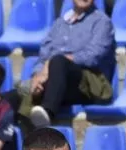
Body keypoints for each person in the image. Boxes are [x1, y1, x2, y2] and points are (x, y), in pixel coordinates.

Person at [19, 0, 115, 128]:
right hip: (55, 79)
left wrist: (53, 62)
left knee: (58, 61)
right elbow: (43, 56)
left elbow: (93, 56)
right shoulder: (59, 23)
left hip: (87, 83)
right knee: (17, 94)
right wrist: (38, 76)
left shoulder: (102, 22)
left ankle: (48, 112)